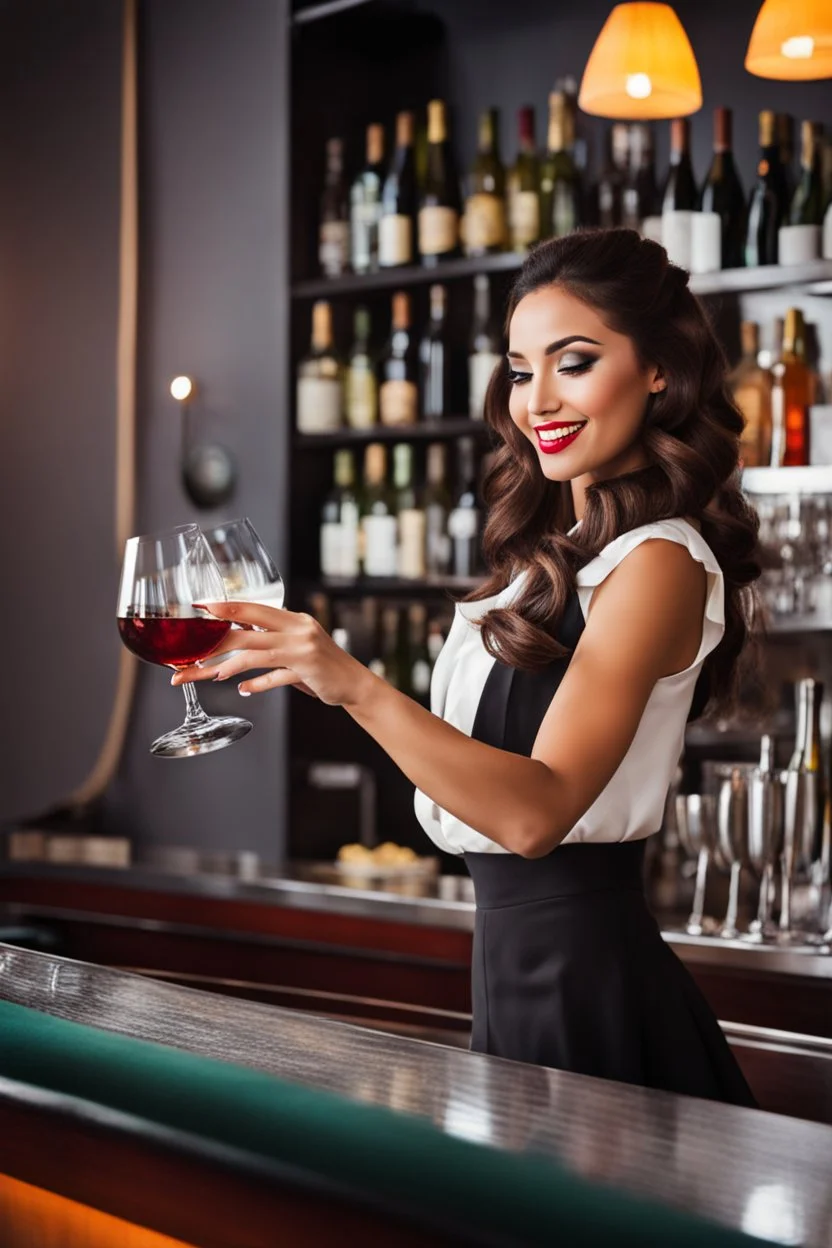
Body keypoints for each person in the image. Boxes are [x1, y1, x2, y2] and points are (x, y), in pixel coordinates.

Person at [175, 228, 760, 1107]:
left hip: (590, 987)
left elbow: (535, 814)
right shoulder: (543, 562)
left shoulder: (659, 562)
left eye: (574, 362)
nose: (538, 400)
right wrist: (324, 676)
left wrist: (354, 685)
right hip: (508, 971)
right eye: (522, 370)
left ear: (659, 370)